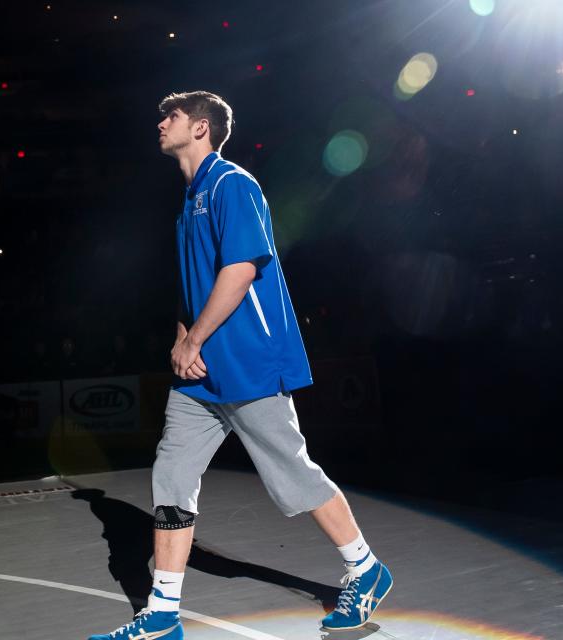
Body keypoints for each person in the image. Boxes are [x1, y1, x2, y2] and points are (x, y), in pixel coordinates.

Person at [88, 91, 392, 640]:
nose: (161, 123)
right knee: (171, 474)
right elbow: (192, 286)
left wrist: (195, 337)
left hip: (249, 360)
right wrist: (184, 339)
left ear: (200, 127)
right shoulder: (188, 200)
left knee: (292, 477)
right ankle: (163, 613)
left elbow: (240, 270)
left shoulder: (233, 184)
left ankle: (365, 567)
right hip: (200, 376)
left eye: (171, 116)